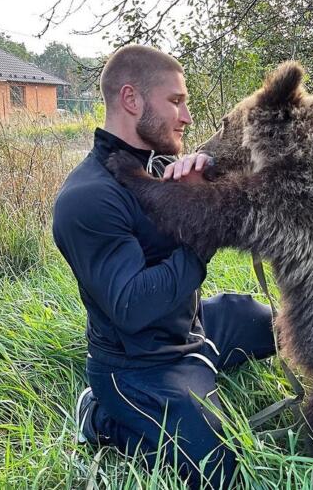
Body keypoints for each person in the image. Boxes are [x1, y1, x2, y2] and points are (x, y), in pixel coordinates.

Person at [52, 45, 275, 489]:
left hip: (194, 326)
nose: (187, 116)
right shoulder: (88, 198)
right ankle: (100, 416)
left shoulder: (162, 166)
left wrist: (205, 188)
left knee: (283, 328)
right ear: (132, 100)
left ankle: (207, 361)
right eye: (176, 101)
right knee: (219, 471)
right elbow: (132, 306)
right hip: (139, 364)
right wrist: (203, 227)